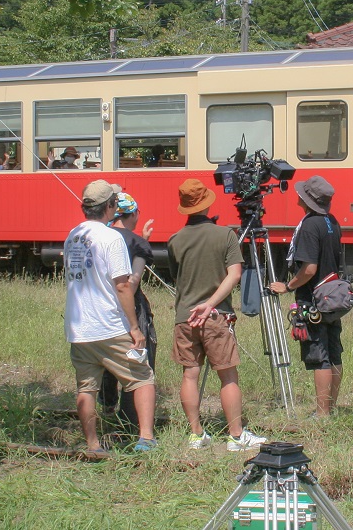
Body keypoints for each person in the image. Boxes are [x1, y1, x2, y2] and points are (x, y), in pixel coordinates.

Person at [167, 178, 266, 451]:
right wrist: (210, 304)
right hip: (215, 316)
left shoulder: (175, 240)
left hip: (185, 317)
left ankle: (196, 434)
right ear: (207, 204)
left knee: (189, 374)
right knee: (228, 376)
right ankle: (236, 436)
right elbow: (234, 275)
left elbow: (178, 277)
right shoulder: (226, 235)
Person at [63, 180, 157, 453]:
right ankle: (146, 438)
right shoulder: (111, 238)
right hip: (108, 324)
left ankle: (93, 444)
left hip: (79, 327)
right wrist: (134, 327)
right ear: (110, 207)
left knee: (87, 387)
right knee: (142, 377)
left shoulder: (74, 235)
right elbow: (122, 285)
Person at [269, 176, 344, 419]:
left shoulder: (310, 225)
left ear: (306, 200)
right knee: (334, 353)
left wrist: (288, 286)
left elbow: (309, 269)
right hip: (332, 296)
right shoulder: (331, 222)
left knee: (318, 355)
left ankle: (322, 414)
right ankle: (330, 408)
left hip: (313, 299)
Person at [99, 192, 156, 425]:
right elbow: (131, 283)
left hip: (101, 307)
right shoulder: (138, 244)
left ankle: (107, 409)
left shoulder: (101, 236)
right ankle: (131, 419)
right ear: (132, 213)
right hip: (132, 308)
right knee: (137, 360)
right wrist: (142, 243)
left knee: (106, 359)